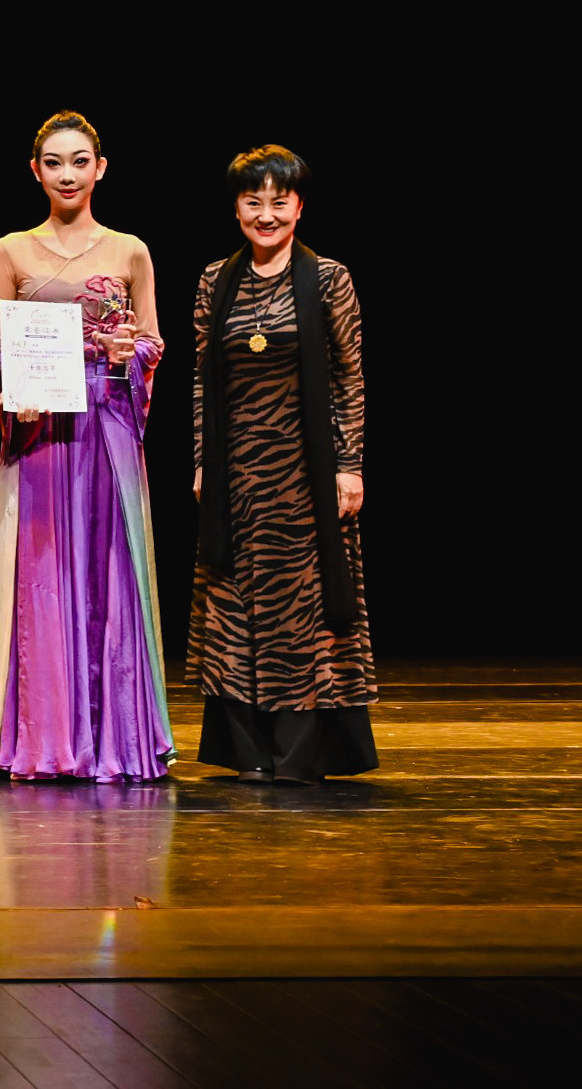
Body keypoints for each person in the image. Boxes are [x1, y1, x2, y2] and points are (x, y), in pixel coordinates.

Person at [0, 110, 175, 783]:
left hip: (105, 425)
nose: (67, 174)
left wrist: (129, 350)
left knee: (111, 573)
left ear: (100, 168)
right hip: (42, 430)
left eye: (80, 161)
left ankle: (117, 739)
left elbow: (153, 345)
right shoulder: (11, 250)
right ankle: (47, 736)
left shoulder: (130, 250)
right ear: (36, 171)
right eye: (54, 162)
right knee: (43, 575)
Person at [190, 145, 375, 783]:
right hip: (237, 476)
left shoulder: (328, 279)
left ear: (299, 207)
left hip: (306, 475)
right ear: (236, 208)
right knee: (235, 606)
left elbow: (349, 378)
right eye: (253, 202)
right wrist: (203, 461)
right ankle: (248, 751)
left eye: (279, 201)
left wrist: (348, 465)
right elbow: (202, 381)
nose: (265, 215)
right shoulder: (215, 280)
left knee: (302, 610)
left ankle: (300, 753)